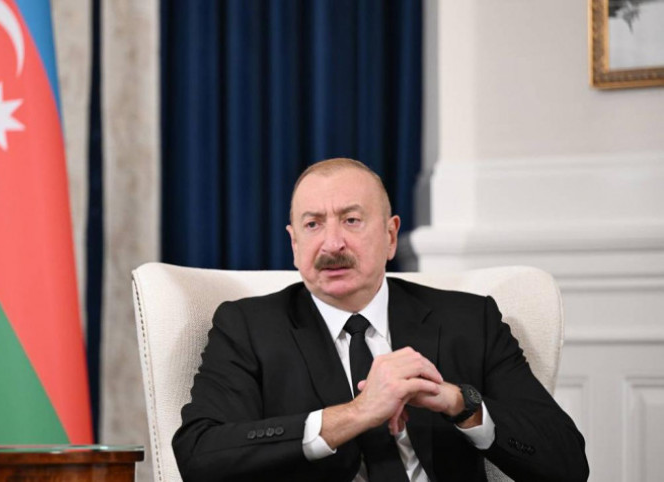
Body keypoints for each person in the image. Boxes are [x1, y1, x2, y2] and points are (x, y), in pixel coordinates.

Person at [173, 158, 589, 482]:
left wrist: (461, 403)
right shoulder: (247, 327)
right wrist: (357, 413)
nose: (332, 243)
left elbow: (567, 464)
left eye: (351, 220)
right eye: (313, 224)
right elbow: (200, 455)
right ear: (294, 243)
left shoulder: (469, 320)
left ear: (390, 236)